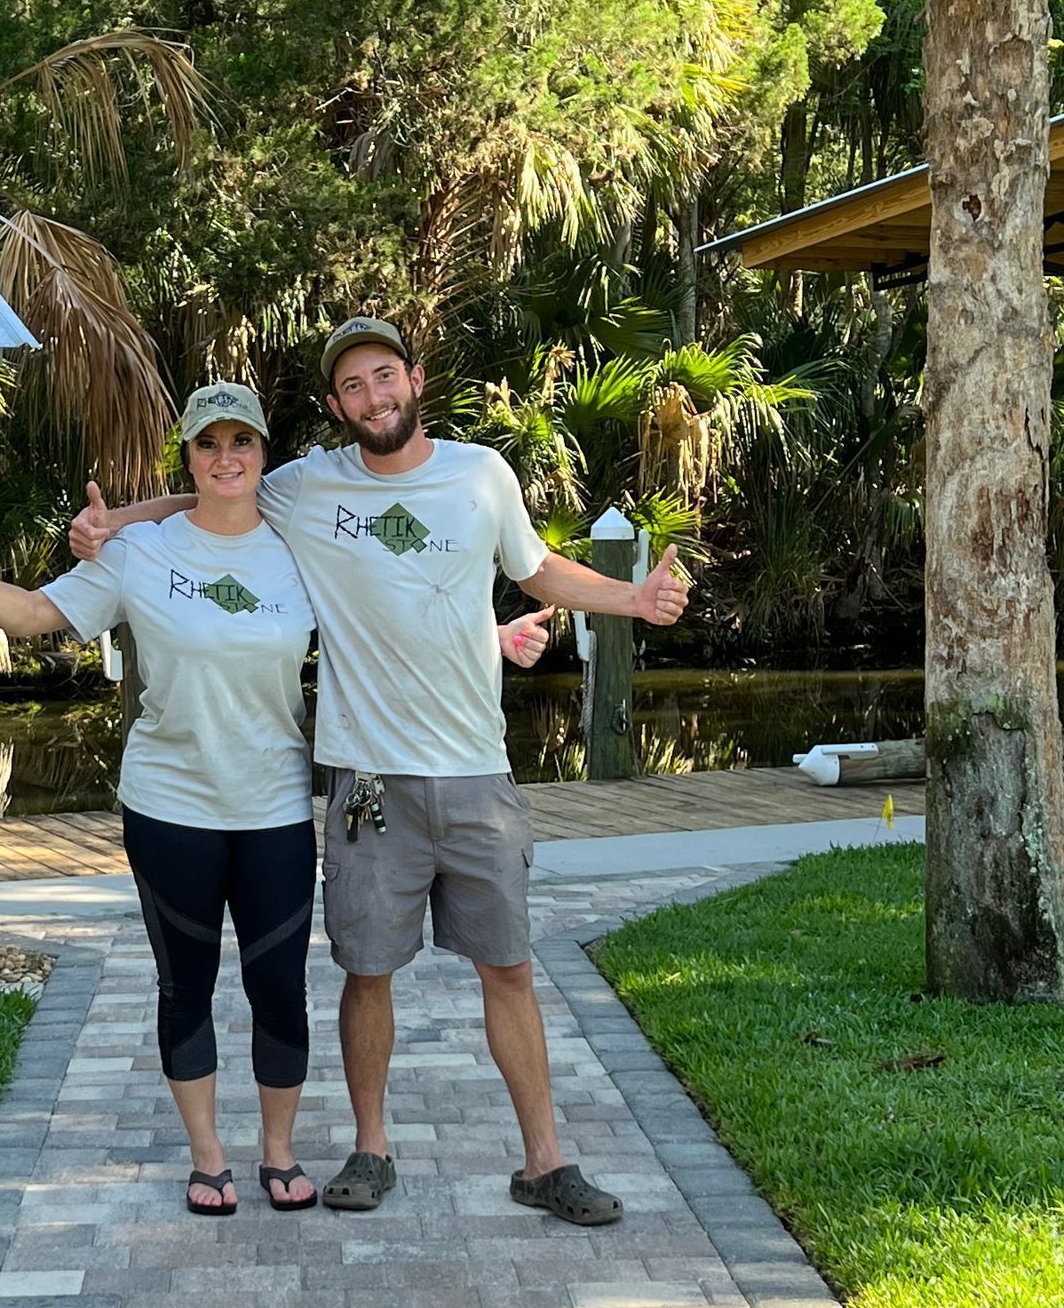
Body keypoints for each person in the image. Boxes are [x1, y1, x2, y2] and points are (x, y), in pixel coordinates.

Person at [70, 315, 689, 1226]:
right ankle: (371, 1148)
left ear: (415, 379)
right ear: (335, 406)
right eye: (353, 387)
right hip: (365, 781)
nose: (373, 397)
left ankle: (545, 1163)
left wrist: (630, 599)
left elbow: (538, 567)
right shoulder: (308, 485)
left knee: (509, 967)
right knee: (367, 971)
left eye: (384, 377)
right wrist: (114, 521)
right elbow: (213, 497)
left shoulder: (482, 474)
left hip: (477, 769)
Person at [0, 377, 550, 1218]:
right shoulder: (142, 553)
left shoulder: (297, 548)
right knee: (184, 986)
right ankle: (208, 1156)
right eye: (209, 444)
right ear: (187, 457)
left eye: (243, 443)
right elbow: (38, 612)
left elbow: (389, 610)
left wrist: (494, 635)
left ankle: (280, 1153)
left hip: (274, 808)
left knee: (279, 987)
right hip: (168, 805)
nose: (227, 458)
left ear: (264, 454)